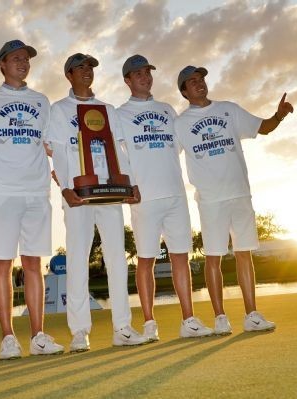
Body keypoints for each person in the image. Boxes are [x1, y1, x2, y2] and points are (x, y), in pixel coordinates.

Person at [174, 65, 294, 334]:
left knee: (244, 254)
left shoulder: (229, 109)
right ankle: (220, 318)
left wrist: (279, 115)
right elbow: (164, 157)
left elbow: (262, 128)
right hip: (210, 199)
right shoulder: (180, 124)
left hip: (240, 194)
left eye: (201, 79)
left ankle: (252, 314)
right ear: (184, 91)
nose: (199, 84)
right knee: (214, 257)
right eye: (192, 82)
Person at [48, 53, 147, 352]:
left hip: (110, 191)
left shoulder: (107, 109)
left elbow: (119, 149)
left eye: (90, 67)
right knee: (77, 260)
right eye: (80, 67)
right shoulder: (59, 109)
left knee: (117, 258)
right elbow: (59, 152)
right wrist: (65, 188)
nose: (87, 71)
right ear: (69, 75)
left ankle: (123, 328)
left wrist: (131, 183)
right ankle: (79, 331)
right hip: (79, 194)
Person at [0, 40, 63, 360]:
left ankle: (38, 335)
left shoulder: (42, 101)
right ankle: (8, 337)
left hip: (37, 192)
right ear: (1, 64)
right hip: (0, 191)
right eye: (16, 58)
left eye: (26, 58)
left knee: (33, 264)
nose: (23, 62)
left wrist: (69, 173)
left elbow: (53, 145)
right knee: (2, 264)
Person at [117, 55, 213, 341]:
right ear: (127, 81)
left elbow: (179, 147)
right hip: (144, 197)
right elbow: (116, 154)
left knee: (180, 257)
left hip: (175, 194)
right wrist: (129, 184)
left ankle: (189, 320)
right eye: (138, 74)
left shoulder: (168, 110)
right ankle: (149, 323)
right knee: (145, 259)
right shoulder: (121, 114)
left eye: (147, 72)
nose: (145, 77)